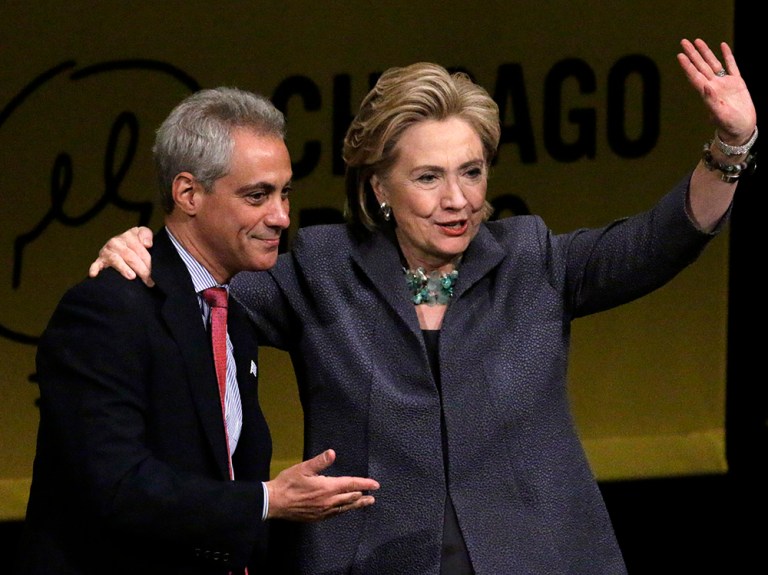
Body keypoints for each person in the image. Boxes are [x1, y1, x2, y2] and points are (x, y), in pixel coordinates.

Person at [88, 38, 757, 574]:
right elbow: (200, 291)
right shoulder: (323, 269)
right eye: (428, 177)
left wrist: (730, 147)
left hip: (541, 556)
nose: (458, 198)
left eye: (471, 172)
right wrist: (143, 246)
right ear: (380, 186)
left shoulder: (531, 258)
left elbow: (657, 240)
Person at [15, 87, 379, 575]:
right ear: (188, 194)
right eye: (257, 195)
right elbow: (114, 485)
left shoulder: (232, 313)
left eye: (285, 192)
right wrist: (267, 501)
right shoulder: (107, 308)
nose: (281, 217)